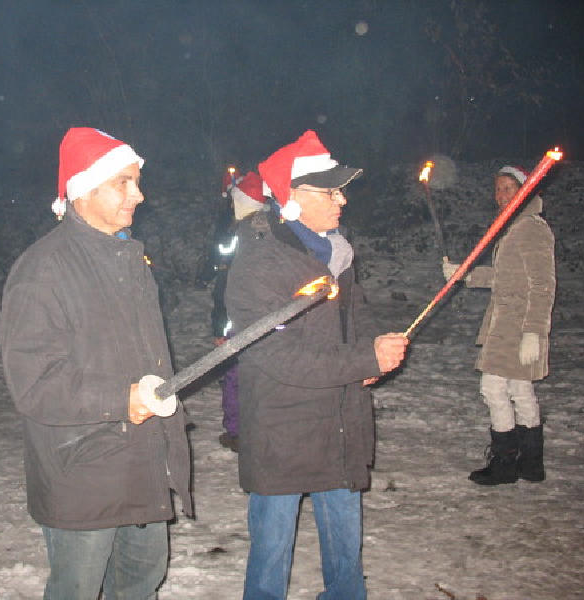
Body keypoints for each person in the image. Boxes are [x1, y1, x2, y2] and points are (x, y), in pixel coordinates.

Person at [0, 127, 193, 599]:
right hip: (81, 474)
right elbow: (34, 384)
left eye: (137, 182)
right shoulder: (43, 270)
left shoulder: (130, 260)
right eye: (123, 183)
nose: (139, 195)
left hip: (141, 463)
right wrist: (121, 399)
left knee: (140, 586)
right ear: (84, 189)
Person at [224, 130, 409, 600]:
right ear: (292, 199)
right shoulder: (260, 263)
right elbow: (275, 354)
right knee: (271, 557)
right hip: (283, 429)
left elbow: (357, 314)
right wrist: (362, 359)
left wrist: (370, 351)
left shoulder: (338, 254)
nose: (342, 200)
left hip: (341, 421)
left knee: (346, 556)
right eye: (330, 192)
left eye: (340, 190)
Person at [442, 164, 555, 485]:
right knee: (520, 389)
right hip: (505, 322)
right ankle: (531, 464)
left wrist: (533, 331)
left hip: (517, 326)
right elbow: (503, 277)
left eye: (509, 188)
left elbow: (543, 284)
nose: (502, 194)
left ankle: (505, 463)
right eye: (498, 189)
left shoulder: (531, 228)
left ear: (525, 191)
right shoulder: (513, 227)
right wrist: (464, 274)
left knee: (492, 388)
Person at [211, 170, 267, 452]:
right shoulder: (273, 233)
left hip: (239, 319)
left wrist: (220, 327)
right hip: (265, 318)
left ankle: (237, 431)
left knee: (235, 376)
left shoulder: (238, 237)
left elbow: (225, 284)